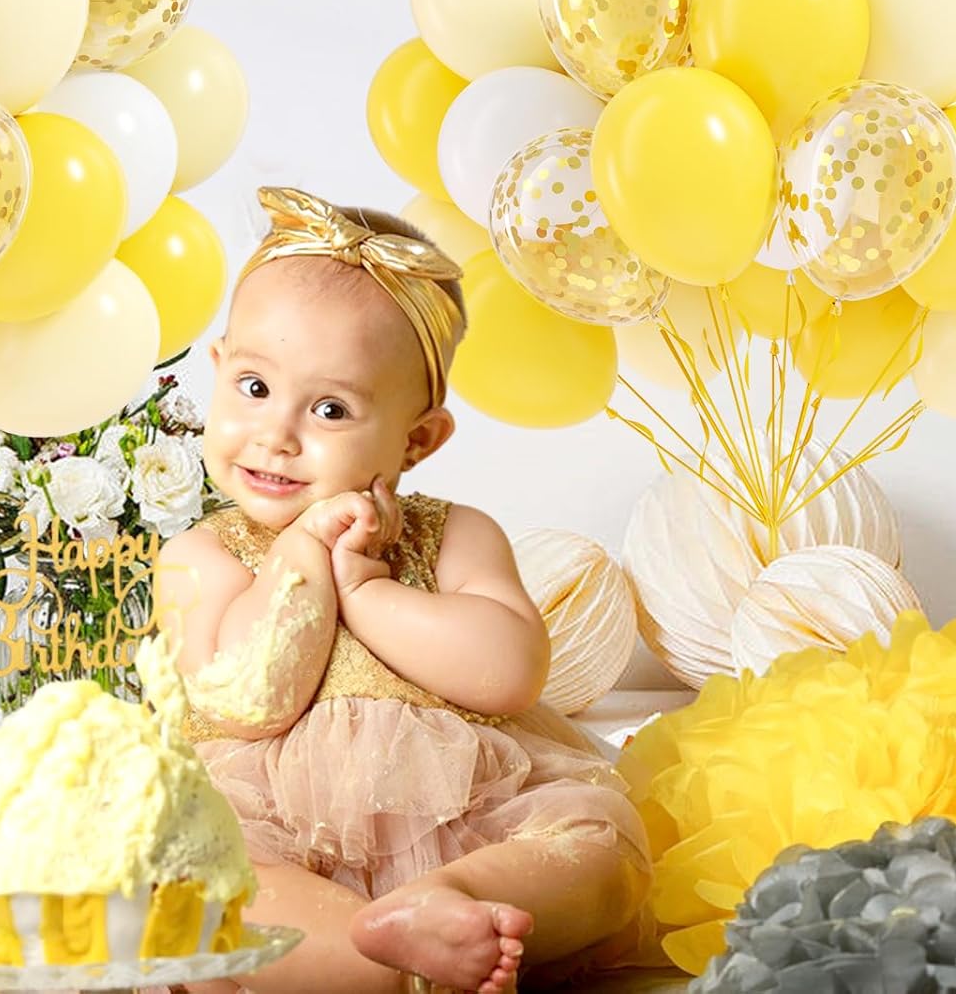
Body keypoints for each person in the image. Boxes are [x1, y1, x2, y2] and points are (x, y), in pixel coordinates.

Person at [154, 187, 651, 994]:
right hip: (264, 827)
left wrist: (369, 589)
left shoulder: (455, 535)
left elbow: (507, 674)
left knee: (602, 850)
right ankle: (388, 965)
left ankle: (451, 902)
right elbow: (252, 701)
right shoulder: (204, 555)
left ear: (418, 440)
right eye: (254, 387)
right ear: (216, 371)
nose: (277, 435)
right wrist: (306, 553)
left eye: (330, 408)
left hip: (469, 812)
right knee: (198, 890)